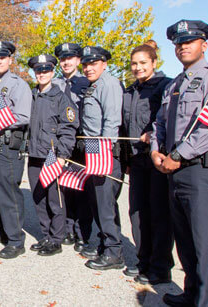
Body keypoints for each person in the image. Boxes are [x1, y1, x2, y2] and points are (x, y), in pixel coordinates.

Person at [151, 20, 208, 307]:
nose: (183, 46)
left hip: (205, 172)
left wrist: (178, 155)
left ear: (204, 44)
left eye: (190, 41)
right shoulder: (175, 85)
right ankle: (192, 295)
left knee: (206, 244)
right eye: (178, 42)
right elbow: (160, 125)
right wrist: (156, 151)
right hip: (176, 173)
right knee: (185, 241)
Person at [120, 41, 174, 284]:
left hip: (157, 160)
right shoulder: (131, 91)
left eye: (143, 63)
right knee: (137, 213)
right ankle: (143, 261)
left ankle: (160, 267)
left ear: (154, 63)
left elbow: (168, 121)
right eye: (134, 63)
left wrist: (154, 136)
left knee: (158, 214)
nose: (138, 67)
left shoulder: (166, 86)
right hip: (137, 159)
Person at [0, 40, 32, 259]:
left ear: (10, 59)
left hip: (6, 146)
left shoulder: (19, 85)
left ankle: (15, 240)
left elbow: (23, 116)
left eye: (2, 57)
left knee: (8, 195)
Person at [77, 46, 124, 270]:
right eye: (85, 64)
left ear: (104, 64)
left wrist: (103, 151)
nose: (88, 68)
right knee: (97, 203)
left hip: (104, 151)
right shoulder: (93, 86)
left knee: (106, 205)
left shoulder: (109, 84)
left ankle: (114, 252)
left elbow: (112, 121)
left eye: (93, 64)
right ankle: (106, 245)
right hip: (93, 149)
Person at [26, 54, 78, 256]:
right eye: (38, 70)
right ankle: (46, 235)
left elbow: (69, 128)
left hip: (52, 156)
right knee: (38, 198)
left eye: (46, 70)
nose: (42, 74)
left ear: (52, 72)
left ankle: (57, 239)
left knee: (54, 199)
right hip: (34, 155)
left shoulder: (61, 98)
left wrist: (62, 155)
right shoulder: (32, 95)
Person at [53, 42, 92, 252]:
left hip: (81, 143)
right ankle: (67, 227)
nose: (66, 62)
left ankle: (82, 232)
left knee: (83, 189)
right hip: (61, 141)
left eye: (70, 58)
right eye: (63, 59)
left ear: (78, 60)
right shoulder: (55, 84)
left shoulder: (87, 82)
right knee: (65, 187)